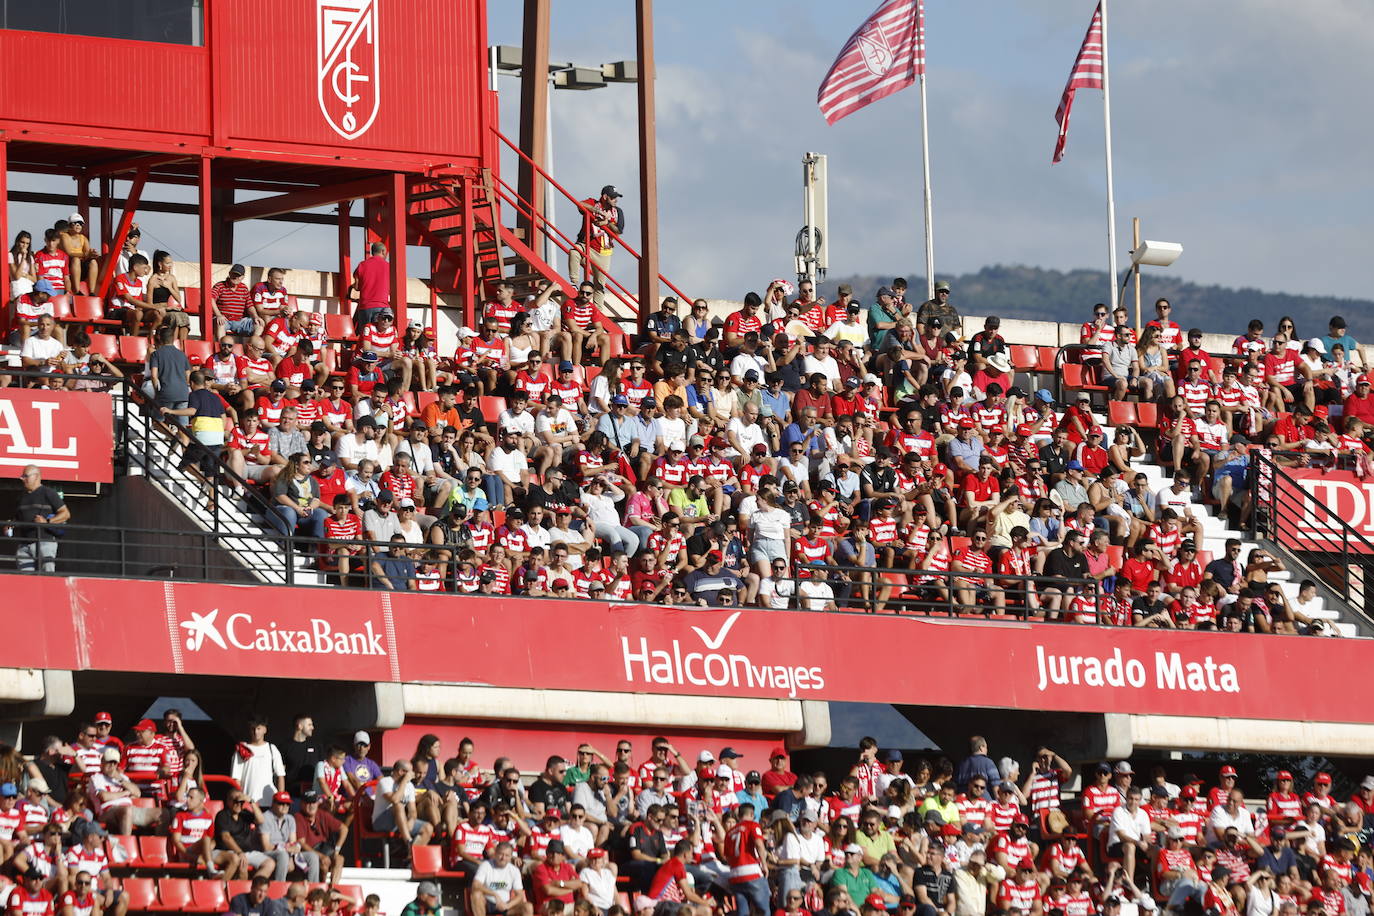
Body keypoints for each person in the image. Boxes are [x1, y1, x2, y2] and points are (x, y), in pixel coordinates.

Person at [570, 185, 625, 307]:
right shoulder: (592, 203)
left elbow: (619, 230)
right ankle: (574, 283)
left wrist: (607, 223)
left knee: (600, 285)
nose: (616, 200)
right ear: (605, 197)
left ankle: (597, 311)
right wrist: (597, 211)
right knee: (574, 252)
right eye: (613, 197)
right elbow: (579, 204)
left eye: (616, 197)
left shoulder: (617, 211)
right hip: (587, 245)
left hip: (604, 252)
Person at [13, 465, 68, 573]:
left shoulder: (48, 493)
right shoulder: (21, 497)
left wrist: (47, 522)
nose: (22, 479)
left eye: (25, 476)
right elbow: (18, 518)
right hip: (24, 544)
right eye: (22, 476)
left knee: (47, 574)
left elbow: (65, 514)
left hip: (45, 542)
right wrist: (10, 525)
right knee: (26, 578)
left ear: (36, 476)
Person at [352, 242, 392, 327]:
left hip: (365, 307)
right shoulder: (389, 266)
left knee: (365, 333)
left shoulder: (362, 265)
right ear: (383, 251)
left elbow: (357, 287)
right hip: (382, 307)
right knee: (379, 334)